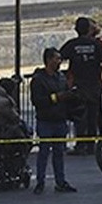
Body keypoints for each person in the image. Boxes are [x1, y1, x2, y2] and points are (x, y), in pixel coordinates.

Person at [60, 16, 102, 154]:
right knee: (93, 116)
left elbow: (59, 56)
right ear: (89, 29)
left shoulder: (72, 44)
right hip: (94, 86)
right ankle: (91, 145)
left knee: (80, 117)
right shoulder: (97, 45)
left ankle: (80, 145)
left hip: (78, 87)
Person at [30, 47, 76, 194]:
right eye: (56, 58)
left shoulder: (61, 77)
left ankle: (60, 182)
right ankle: (40, 182)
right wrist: (56, 97)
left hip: (60, 119)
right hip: (45, 120)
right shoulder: (38, 80)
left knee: (59, 152)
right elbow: (37, 100)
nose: (59, 61)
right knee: (43, 152)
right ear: (48, 60)